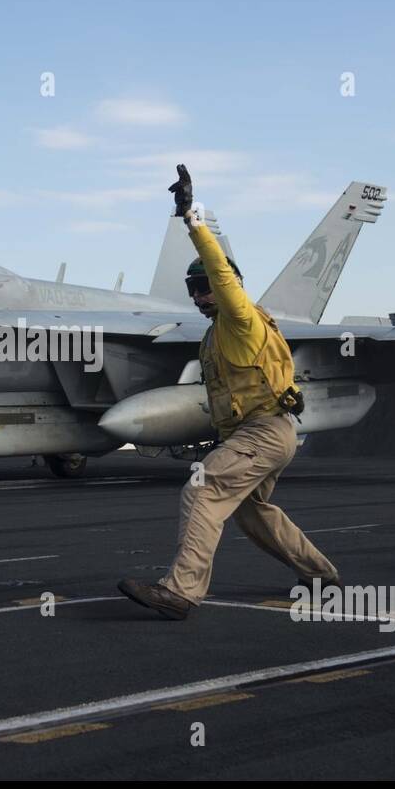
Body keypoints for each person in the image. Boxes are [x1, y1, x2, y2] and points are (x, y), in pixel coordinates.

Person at [118, 165, 339, 621]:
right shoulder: (214, 335)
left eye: (205, 288)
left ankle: (181, 591)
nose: (199, 296)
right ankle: (321, 576)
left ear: (226, 287)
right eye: (191, 289)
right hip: (262, 435)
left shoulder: (240, 319)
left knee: (202, 490)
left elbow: (221, 274)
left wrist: (191, 220)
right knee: (253, 512)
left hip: (263, 432)